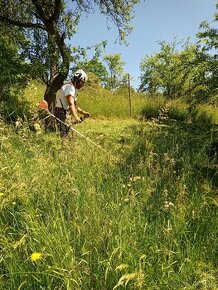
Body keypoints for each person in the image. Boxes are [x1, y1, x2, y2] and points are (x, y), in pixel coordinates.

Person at [55, 69, 91, 137]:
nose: (82, 85)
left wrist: (83, 113)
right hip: (60, 111)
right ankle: (66, 147)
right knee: (64, 134)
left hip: (64, 111)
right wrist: (76, 117)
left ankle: (68, 146)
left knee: (67, 132)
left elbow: (75, 105)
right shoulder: (69, 87)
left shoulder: (72, 87)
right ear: (77, 80)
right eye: (82, 82)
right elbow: (71, 103)